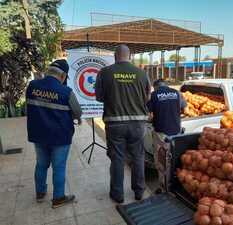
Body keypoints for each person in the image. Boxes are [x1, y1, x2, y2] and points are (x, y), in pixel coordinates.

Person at [95, 44, 151, 203]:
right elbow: (148, 97)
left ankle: (118, 195)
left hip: (115, 123)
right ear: (130, 56)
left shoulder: (104, 73)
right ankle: (139, 192)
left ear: (115, 56)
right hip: (138, 124)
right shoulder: (142, 73)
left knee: (117, 158)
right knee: (138, 157)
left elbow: (98, 97)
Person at [26, 59, 82, 208]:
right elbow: (77, 112)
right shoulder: (66, 92)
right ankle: (58, 198)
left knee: (41, 164)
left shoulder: (32, 86)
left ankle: (40, 193)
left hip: (38, 134)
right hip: (60, 137)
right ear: (63, 76)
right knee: (59, 167)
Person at [147, 79, 187, 190]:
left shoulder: (154, 95)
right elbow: (184, 109)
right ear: (166, 85)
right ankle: (174, 184)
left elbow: (149, 115)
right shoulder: (177, 93)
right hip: (176, 132)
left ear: (155, 87)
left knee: (161, 161)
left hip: (161, 133)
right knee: (173, 158)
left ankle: (163, 186)